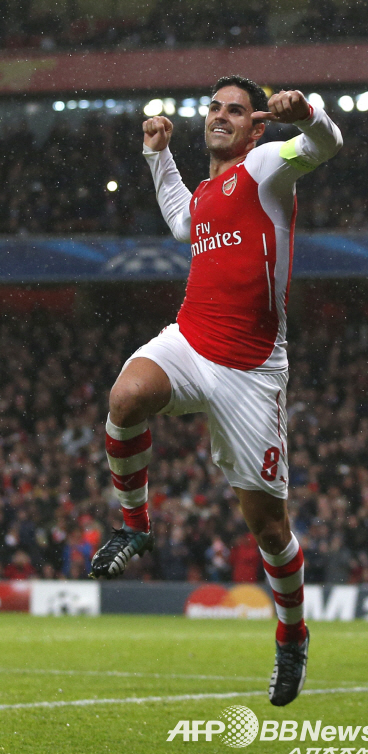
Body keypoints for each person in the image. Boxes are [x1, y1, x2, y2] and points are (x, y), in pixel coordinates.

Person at [89, 75, 342, 707]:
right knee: (125, 398)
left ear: (257, 125)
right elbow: (183, 222)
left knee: (270, 528)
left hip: (250, 371)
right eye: (214, 107)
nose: (220, 116)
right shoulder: (206, 192)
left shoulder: (266, 166)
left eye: (235, 110)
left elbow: (326, 145)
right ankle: (135, 526)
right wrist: (156, 155)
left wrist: (306, 113)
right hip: (190, 339)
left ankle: (292, 636)